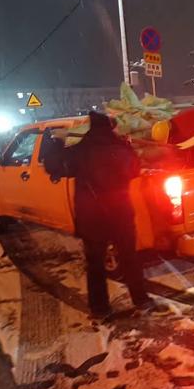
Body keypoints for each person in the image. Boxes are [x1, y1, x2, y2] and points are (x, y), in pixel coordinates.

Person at [44, 111, 163, 318]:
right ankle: (142, 301)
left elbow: (53, 166)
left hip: (92, 218)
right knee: (130, 259)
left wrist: (55, 142)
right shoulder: (121, 149)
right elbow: (135, 170)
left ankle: (100, 309)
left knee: (95, 265)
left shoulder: (79, 151)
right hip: (121, 215)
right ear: (109, 128)